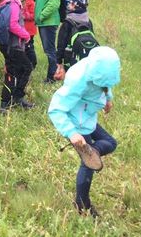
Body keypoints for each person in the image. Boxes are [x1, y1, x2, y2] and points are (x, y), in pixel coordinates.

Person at [48, 46, 121, 218]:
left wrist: (108, 99)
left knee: (110, 143)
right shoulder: (78, 80)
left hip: (88, 118)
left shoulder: (101, 71)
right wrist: (72, 133)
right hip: (77, 124)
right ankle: (82, 204)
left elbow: (106, 85)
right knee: (88, 164)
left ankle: (92, 151)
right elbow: (56, 109)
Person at [0, 0, 34, 113]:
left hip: (7, 43)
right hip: (12, 44)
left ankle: (14, 98)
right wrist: (26, 35)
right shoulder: (12, 4)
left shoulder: (5, 1)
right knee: (23, 68)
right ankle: (7, 102)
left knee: (17, 70)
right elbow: (13, 25)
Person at [34, 0, 62, 82]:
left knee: (50, 50)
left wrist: (41, 15)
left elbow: (54, 3)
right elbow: (42, 0)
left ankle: (52, 77)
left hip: (48, 21)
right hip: (44, 22)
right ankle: (53, 75)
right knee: (48, 49)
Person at [56, 0, 94, 73]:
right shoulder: (88, 21)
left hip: (70, 56)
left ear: (76, 7)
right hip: (86, 56)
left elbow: (61, 43)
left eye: (71, 3)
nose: (68, 5)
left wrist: (58, 61)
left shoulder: (67, 22)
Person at [23, 0, 38, 70]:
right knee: (25, 47)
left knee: (29, 47)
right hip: (24, 29)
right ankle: (27, 62)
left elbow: (33, 16)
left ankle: (33, 62)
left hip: (29, 30)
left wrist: (25, 14)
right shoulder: (23, 1)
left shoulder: (31, 2)